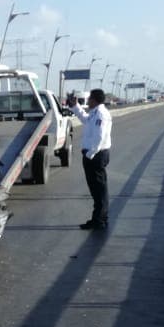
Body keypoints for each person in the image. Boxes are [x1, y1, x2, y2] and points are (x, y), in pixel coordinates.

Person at [68, 88, 112, 230]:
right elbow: (85, 119)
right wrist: (75, 106)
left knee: (98, 189)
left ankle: (99, 220)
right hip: (94, 154)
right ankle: (100, 218)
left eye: (89, 98)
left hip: (96, 155)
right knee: (97, 189)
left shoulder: (101, 114)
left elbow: (100, 136)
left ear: (94, 100)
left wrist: (90, 154)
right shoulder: (94, 113)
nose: (88, 101)